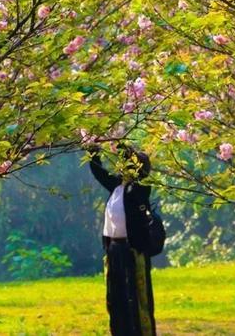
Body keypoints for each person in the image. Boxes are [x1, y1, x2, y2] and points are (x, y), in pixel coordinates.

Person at [88, 144, 156, 336]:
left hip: (132, 250)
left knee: (136, 298)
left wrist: (120, 145)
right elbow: (98, 171)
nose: (122, 166)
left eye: (127, 163)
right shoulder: (117, 186)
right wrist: (93, 148)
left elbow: (137, 176)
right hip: (114, 249)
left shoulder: (140, 188)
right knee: (116, 298)